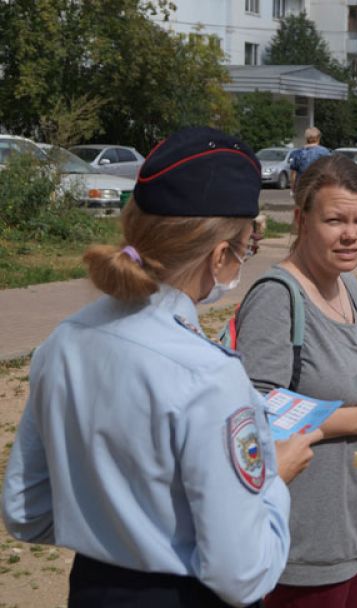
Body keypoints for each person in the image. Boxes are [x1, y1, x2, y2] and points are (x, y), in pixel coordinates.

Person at [1, 126, 323, 607]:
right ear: (219, 256)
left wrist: (116, 531)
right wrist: (272, 483)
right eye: (245, 248)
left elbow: (27, 511)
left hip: (92, 590)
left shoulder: (64, 342)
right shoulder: (210, 375)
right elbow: (241, 574)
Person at [234, 154, 357, 608]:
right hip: (306, 543)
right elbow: (255, 417)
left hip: (356, 526)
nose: (351, 234)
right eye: (335, 220)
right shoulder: (278, 299)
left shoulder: (347, 285)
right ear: (301, 219)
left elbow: (354, 385)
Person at [288, 127, 330, 194]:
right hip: (319, 187)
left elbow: (293, 174)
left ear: (306, 138)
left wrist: (293, 188)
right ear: (318, 138)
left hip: (301, 187)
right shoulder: (325, 152)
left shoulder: (296, 153)